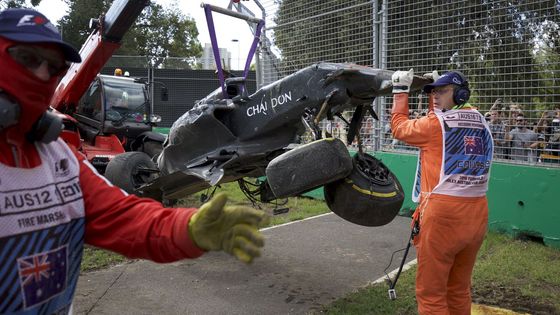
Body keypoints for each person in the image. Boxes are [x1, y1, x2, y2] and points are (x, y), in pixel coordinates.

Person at [0, 8, 266, 314]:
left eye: (54, 66)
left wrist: (188, 228)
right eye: (28, 59)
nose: (44, 75)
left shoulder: (61, 160)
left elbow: (124, 218)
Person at [390, 69, 493, 314]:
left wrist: (399, 91)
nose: (435, 97)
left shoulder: (434, 125)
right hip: (477, 214)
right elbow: (441, 122)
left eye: (442, 91)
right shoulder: (480, 118)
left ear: (460, 94)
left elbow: (398, 127)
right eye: (433, 92)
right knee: (458, 288)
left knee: (431, 293)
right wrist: (433, 94)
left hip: (443, 217)